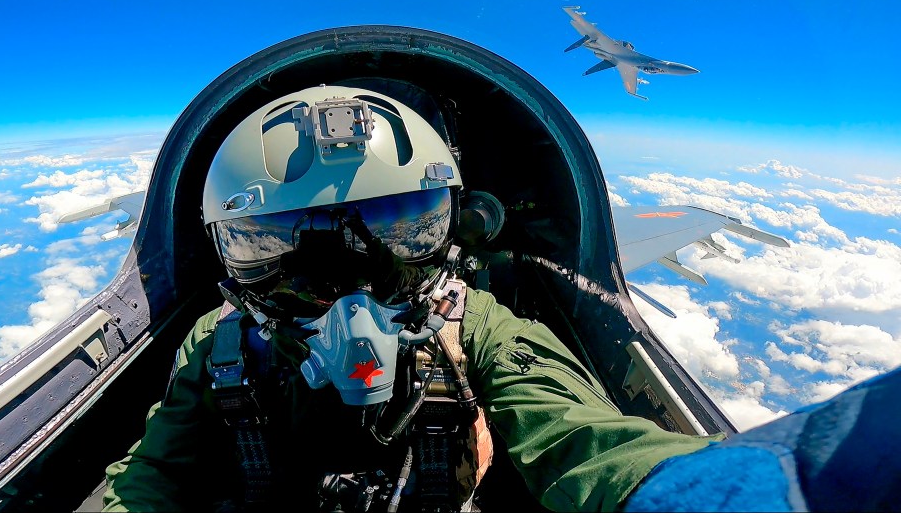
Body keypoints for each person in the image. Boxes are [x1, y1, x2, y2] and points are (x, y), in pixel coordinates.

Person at [102, 84, 900, 512]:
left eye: (397, 233)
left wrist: (760, 489)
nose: (356, 295)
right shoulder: (221, 344)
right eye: (288, 252)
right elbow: (147, 480)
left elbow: (586, 442)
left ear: (454, 232)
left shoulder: (470, 323)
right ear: (231, 261)